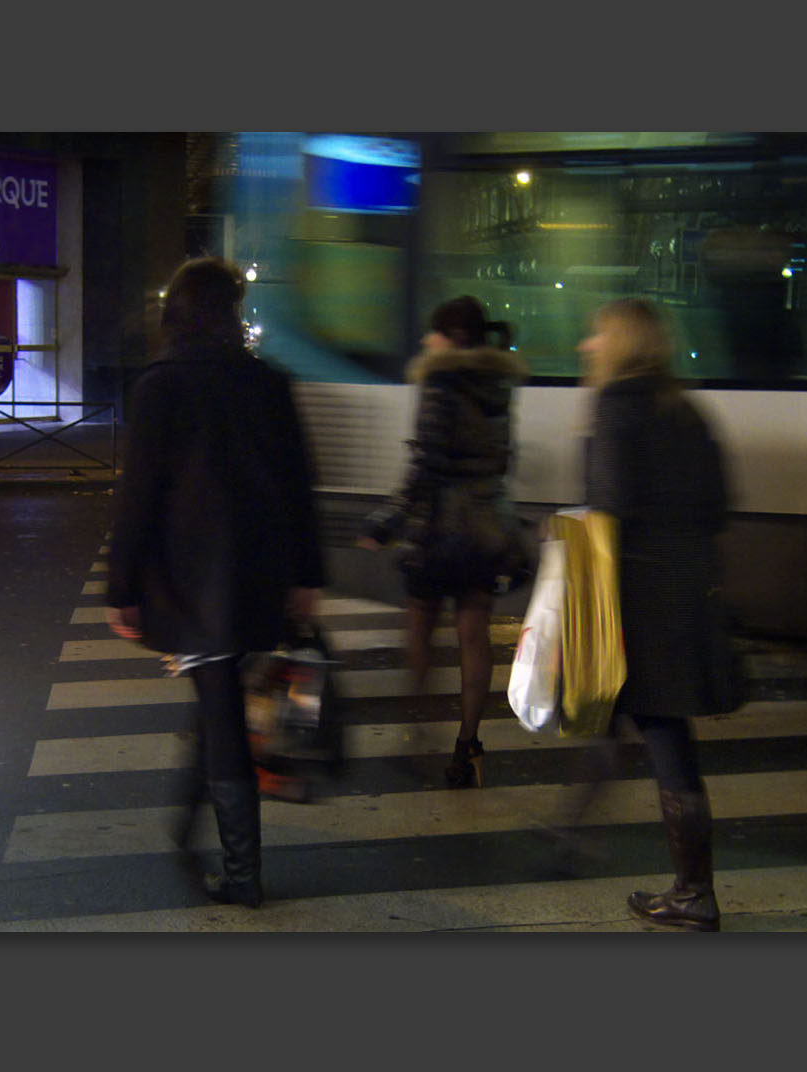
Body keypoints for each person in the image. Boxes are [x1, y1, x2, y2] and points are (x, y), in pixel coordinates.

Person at [105, 257, 325, 909]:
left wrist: (122, 587)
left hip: (188, 574)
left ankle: (242, 872)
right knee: (218, 697)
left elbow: (139, 493)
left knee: (221, 707)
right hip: (258, 569)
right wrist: (308, 573)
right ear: (230, 316)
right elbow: (297, 482)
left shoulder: (161, 384)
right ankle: (190, 830)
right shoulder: (265, 381)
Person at [577, 297, 735, 931]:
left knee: (657, 730)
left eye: (596, 335)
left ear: (619, 343)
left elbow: (607, 507)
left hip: (636, 596)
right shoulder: (688, 410)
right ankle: (683, 882)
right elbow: (720, 507)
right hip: (687, 590)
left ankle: (695, 892)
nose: (588, 346)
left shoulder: (617, 406)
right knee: (658, 727)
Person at [358, 295, 529, 788]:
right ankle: (468, 744)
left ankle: (416, 731)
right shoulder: (499, 385)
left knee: (420, 629)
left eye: (432, 332)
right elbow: (502, 459)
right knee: (473, 634)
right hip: (487, 526)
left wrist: (386, 523)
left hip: (441, 528)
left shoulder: (440, 380)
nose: (424, 341)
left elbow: (425, 465)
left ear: (451, 336)